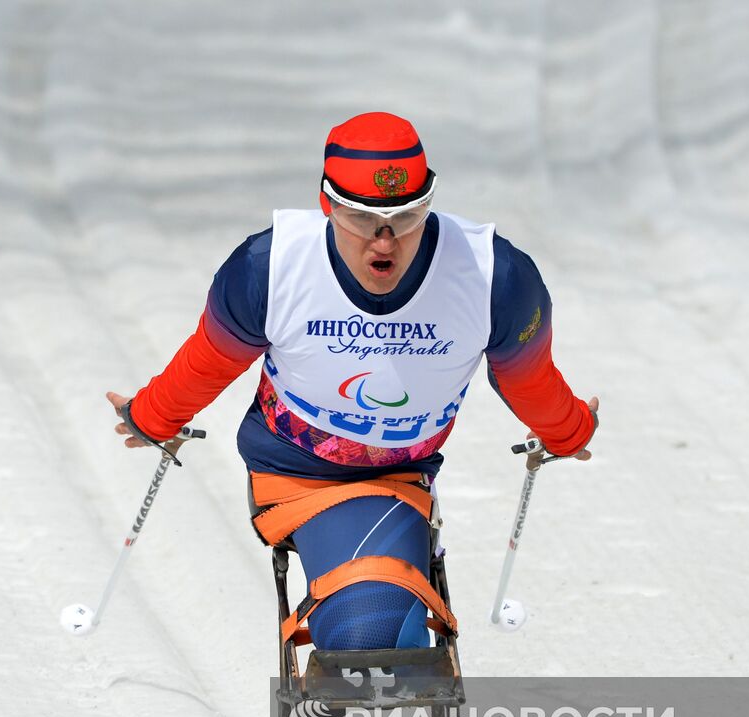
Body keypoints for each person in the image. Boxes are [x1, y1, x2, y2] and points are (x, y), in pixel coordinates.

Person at [107, 111, 597, 652]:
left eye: (407, 217)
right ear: (328, 205)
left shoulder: (494, 278)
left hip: (399, 477)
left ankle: (361, 677)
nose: (385, 242)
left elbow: (526, 379)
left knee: (380, 638)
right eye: (363, 219)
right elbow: (211, 360)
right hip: (294, 474)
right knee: (370, 634)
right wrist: (153, 417)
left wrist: (567, 429)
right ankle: (338, 682)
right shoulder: (268, 267)